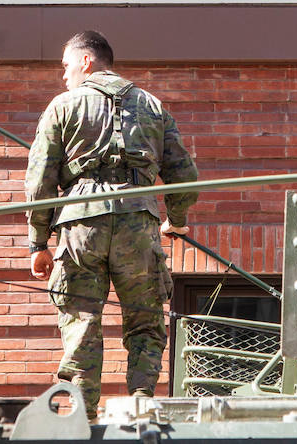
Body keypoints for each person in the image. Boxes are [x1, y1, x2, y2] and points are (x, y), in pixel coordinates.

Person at [25, 30, 199, 420]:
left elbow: (39, 181)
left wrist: (38, 242)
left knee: (82, 319)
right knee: (145, 316)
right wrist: (178, 220)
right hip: (139, 221)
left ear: (86, 61)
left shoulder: (63, 106)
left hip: (81, 223)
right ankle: (141, 400)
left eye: (66, 66)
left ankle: (81, 412)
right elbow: (184, 174)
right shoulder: (153, 106)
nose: (64, 75)